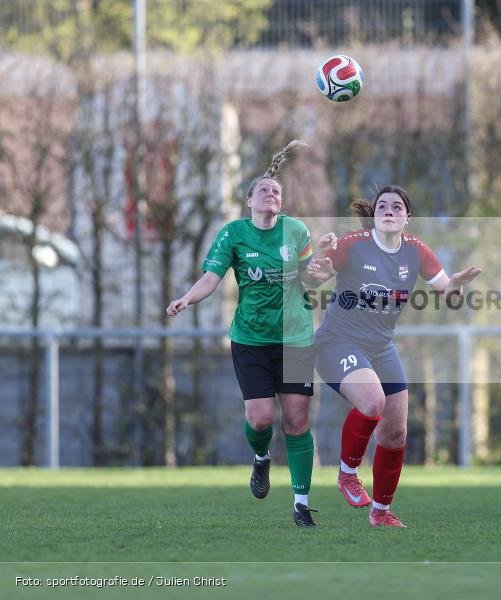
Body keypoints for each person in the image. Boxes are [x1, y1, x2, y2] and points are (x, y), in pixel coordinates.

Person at [166, 140, 334, 528]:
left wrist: (323, 269)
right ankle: (260, 460)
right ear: (249, 200)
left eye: (277, 191)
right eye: (264, 190)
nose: (271, 194)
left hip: (294, 337)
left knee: (296, 420)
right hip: (251, 339)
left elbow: (309, 279)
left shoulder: (295, 230)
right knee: (261, 420)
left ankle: (301, 504)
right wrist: (186, 299)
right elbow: (211, 278)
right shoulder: (233, 234)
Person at [314, 185, 482, 528]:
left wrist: (457, 287)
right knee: (373, 402)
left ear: (408, 217)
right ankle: (347, 475)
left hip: (381, 348)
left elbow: (447, 295)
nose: (389, 211)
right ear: (374, 215)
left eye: (397, 207)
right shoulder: (351, 245)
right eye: (383, 206)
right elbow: (310, 279)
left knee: (395, 433)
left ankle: (381, 513)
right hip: (337, 342)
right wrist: (315, 266)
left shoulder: (416, 252)